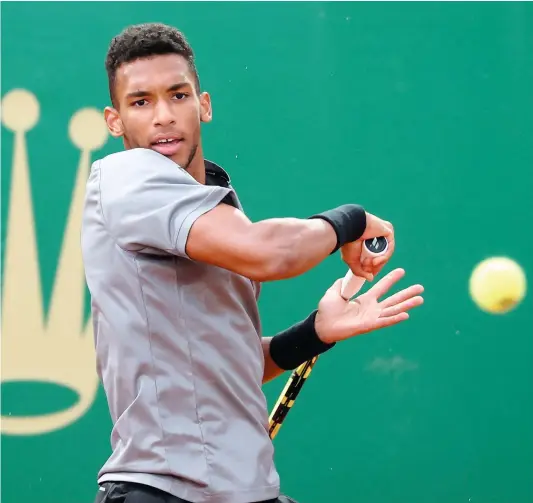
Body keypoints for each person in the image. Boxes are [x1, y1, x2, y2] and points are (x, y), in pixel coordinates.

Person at [81, 22, 424, 503]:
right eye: (141, 102)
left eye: (178, 96)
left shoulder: (211, 210)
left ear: (204, 105)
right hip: (161, 491)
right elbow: (271, 252)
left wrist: (313, 334)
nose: (163, 116)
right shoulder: (127, 178)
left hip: (247, 491)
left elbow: (226, 363)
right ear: (114, 121)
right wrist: (350, 220)